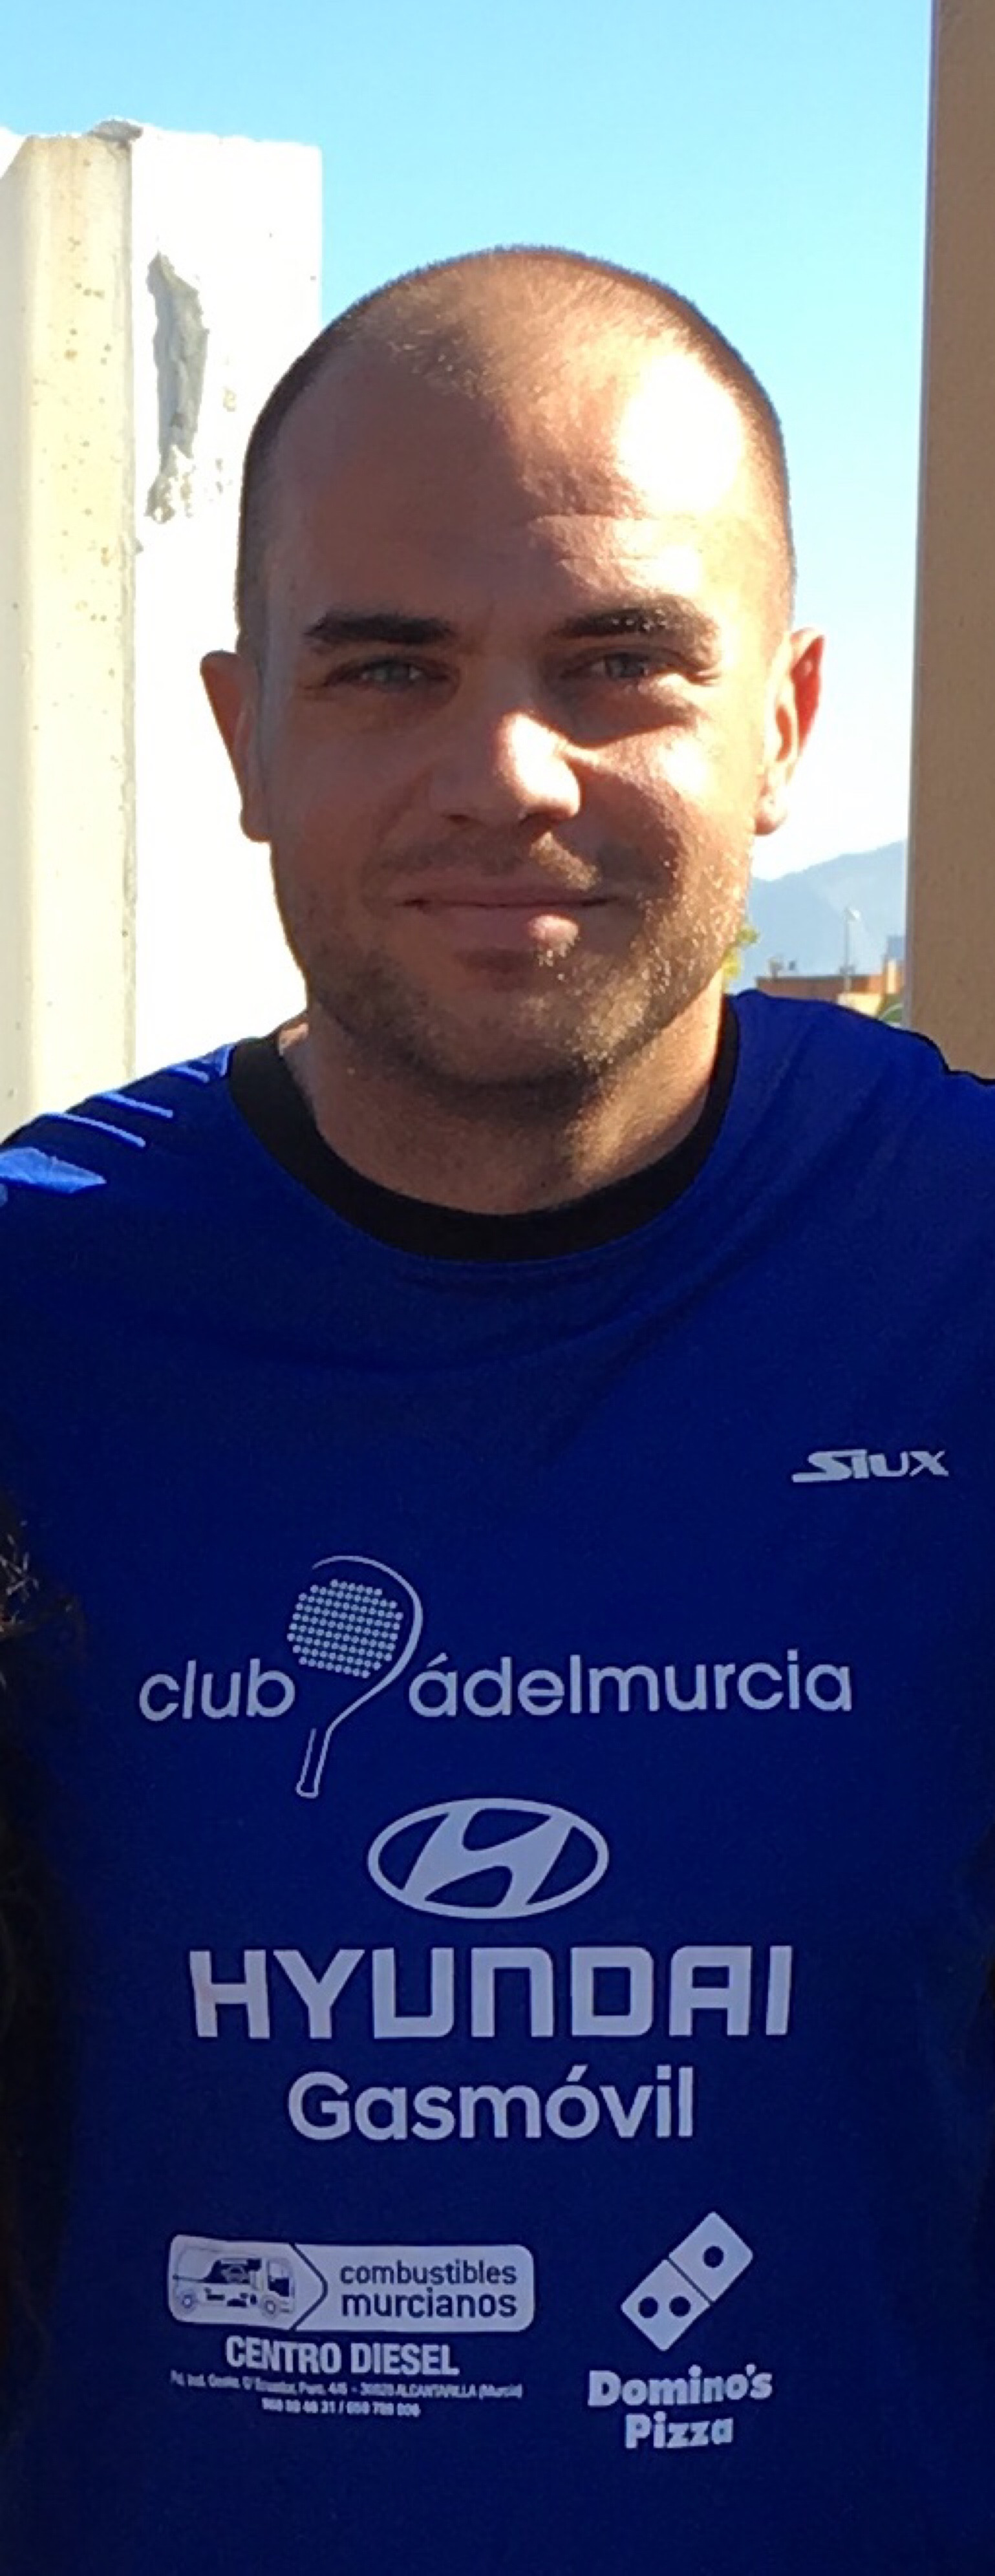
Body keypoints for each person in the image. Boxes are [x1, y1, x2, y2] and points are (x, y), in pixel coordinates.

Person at [1, 242, 994, 2576]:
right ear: (247, 736)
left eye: (619, 661)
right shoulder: (34, 1305)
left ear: (783, 721)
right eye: (389, 668)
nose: (505, 775)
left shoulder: (961, 1269)